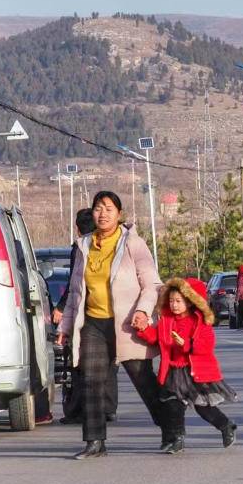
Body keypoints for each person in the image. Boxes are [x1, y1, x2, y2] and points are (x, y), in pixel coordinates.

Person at [58, 191, 163, 460]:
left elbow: (151, 284)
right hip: (93, 322)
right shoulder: (83, 246)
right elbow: (74, 291)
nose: (102, 213)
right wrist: (66, 327)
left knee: (143, 380)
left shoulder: (133, 244)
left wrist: (143, 311)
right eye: (97, 208)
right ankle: (95, 441)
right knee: (91, 381)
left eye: (108, 208)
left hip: (127, 323)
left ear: (119, 214)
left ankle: (172, 428)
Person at [137, 277, 237, 454]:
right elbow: (156, 339)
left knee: (203, 408)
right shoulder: (167, 320)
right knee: (173, 406)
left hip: (194, 372)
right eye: (171, 301)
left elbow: (206, 346)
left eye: (179, 301)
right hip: (174, 372)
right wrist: (144, 329)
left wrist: (186, 344)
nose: (174, 305)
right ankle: (178, 439)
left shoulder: (200, 322)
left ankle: (226, 426)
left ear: (190, 302)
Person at [54, 209, 119, 426]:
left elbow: (74, 284)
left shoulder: (81, 247)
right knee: (110, 364)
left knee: (82, 364)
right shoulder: (111, 243)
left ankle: (79, 410)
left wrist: (62, 309)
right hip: (112, 312)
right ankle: (107, 408)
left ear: (78, 227)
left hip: (88, 313)